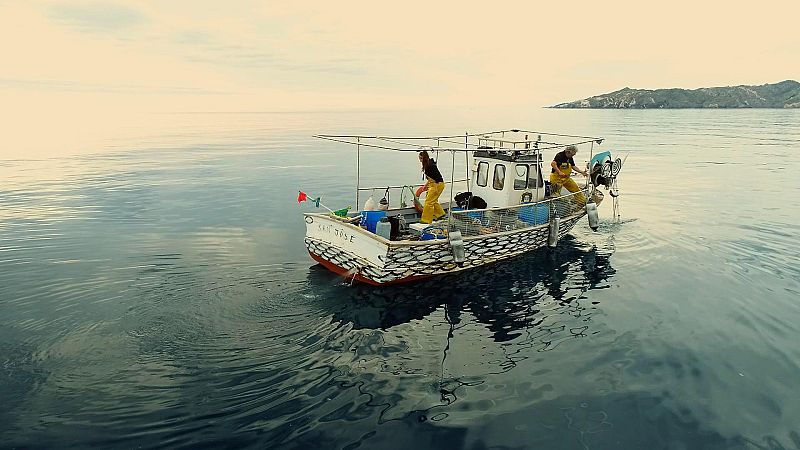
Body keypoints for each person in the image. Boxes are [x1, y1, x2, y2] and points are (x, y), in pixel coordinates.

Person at [418, 151, 446, 223]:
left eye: (420, 158)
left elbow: (437, 178)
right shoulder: (427, 164)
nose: (419, 160)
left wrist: (436, 189)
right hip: (433, 184)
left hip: (437, 185)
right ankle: (441, 214)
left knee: (429, 202)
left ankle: (426, 220)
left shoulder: (430, 166)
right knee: (433, 200)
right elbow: (431, 177)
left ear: (424, 158)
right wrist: (426, 185)